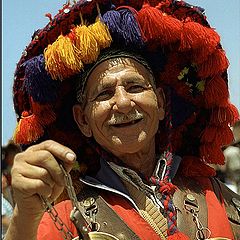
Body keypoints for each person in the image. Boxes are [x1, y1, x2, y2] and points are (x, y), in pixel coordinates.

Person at [5, 0, 240, 239]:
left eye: (135, 86)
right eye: (104, 94)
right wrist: (24, 215)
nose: (124, 102)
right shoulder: (65, 217)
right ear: (82, 120)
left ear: (160, 103)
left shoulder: (219, 198)